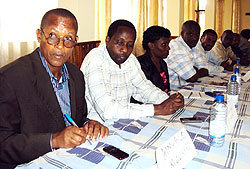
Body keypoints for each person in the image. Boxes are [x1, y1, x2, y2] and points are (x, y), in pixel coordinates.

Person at [0, 8, 108, 168]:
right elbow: (3, 143)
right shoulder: (10, 78)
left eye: (68, 39)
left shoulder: (76, 75)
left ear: (75, 41)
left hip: (69, 159)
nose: (60, 45)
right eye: (52, 36)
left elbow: (76, 119)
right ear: (39, 35)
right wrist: (54, 140)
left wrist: (89, 124)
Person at [80, 19, 184, 123]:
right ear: (107, 40)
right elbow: (108, 110)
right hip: (98, 126)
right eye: (120, 43)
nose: (125, 49)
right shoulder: (95, 59)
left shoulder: (130, 59)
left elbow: (144, 88)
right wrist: (156, 109)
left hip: (123, 121)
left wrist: (169, 101)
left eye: (130, 45)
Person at [166, 20, 209, 89]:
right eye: (190, 34)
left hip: (187, 89)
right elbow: (191, 77)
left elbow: (206, 69)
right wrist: (196, 70)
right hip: (174, 92)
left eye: (197, 35)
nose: (194, 38)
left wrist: (195, 71)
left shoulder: (193, 46)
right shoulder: (177, 47)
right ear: (182, 34)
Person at [137, 26, 171, 93]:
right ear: (151, 45)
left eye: (168, 44)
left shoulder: (162, 63)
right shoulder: (141, 65)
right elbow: (145, 93)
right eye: (164, 44)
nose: (168, 48)